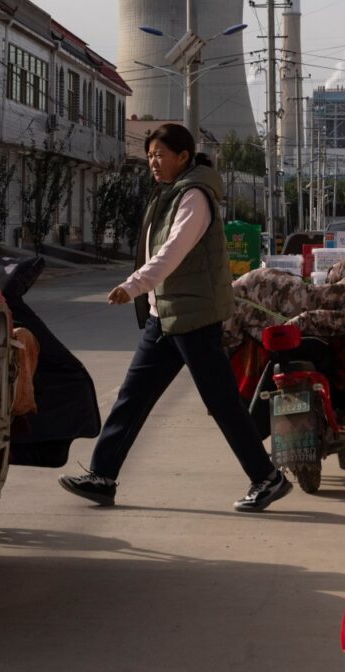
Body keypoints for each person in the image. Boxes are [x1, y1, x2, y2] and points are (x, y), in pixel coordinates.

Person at [58, 123, 291, 513]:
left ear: (183, 157)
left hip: (193, 317)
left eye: (160, 155)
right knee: (131, 399)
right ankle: (103, 476)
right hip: (163, 315)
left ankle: (267, 477)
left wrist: (132, 285)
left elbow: (171, 252)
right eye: (150, 155)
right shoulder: (171, 192)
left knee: (222, 402)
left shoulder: (195, 196)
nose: (153, 162)